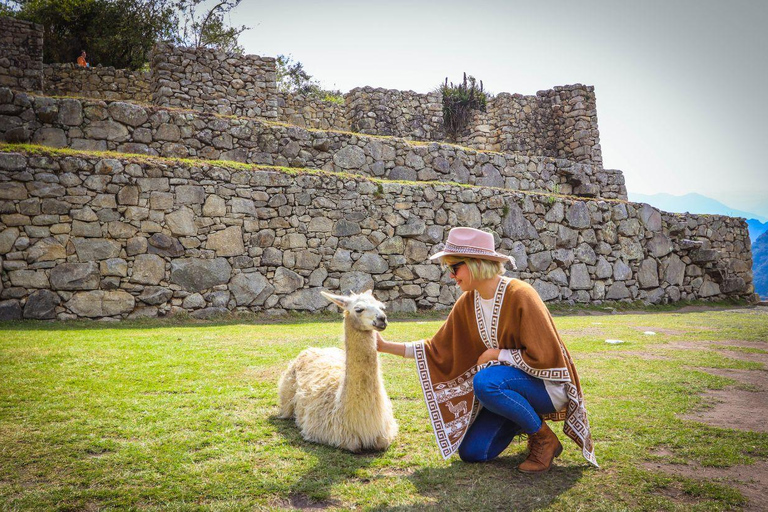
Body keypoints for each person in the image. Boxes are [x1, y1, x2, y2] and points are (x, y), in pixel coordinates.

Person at [376, 227, 597, 472]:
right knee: (473, 452)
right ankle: (521, 419)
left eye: (454, 268)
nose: (451, 276)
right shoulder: (468, 302)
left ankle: (545, 439)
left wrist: (496, 354)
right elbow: (437, 348)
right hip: (506, 389)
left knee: (485, 382)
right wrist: (384, 346)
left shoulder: (521, 295)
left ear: (475, 264)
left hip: (547, 387)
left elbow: (545, 358)